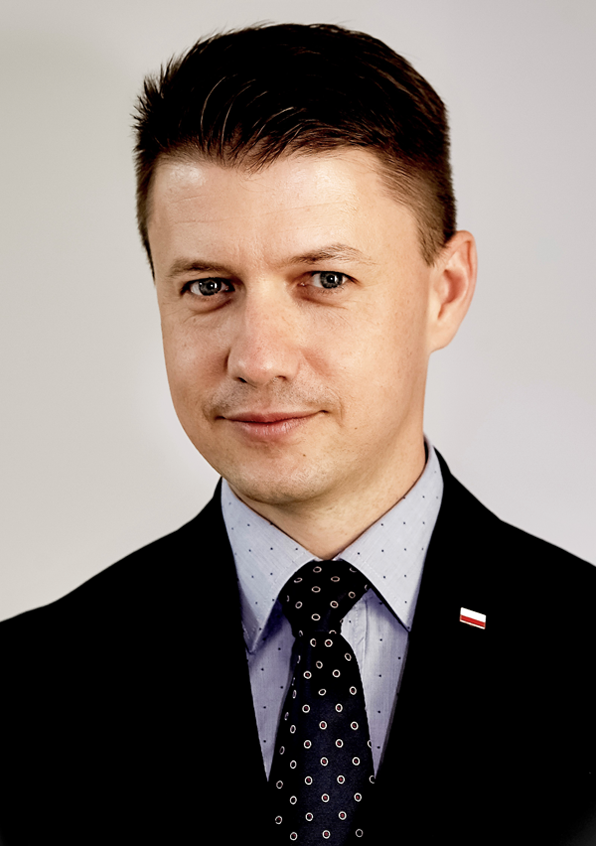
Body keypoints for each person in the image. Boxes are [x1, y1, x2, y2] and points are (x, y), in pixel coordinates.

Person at [1, 22, 594, 846]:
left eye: (324, 278)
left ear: (446, 290)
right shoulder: (22, 691)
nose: (259, 358)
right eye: (209, 286)